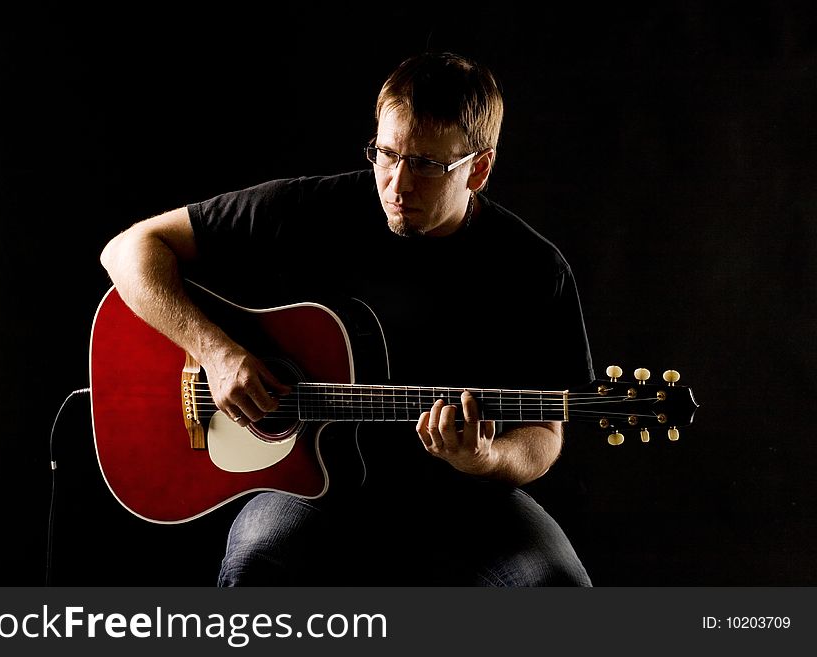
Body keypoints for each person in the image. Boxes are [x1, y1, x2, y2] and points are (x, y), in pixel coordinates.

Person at [100, 51, 595, 586]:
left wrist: (486, 458)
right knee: (253, 565)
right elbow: (128, 250)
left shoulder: (534, 269)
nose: (398, 185)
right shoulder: (310, 209)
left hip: (466, 497)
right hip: (314, 486)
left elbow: (545, 434)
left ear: (478, 168)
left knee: (558, 590)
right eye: (386, 154)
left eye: (427, 164)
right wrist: (217, 353)